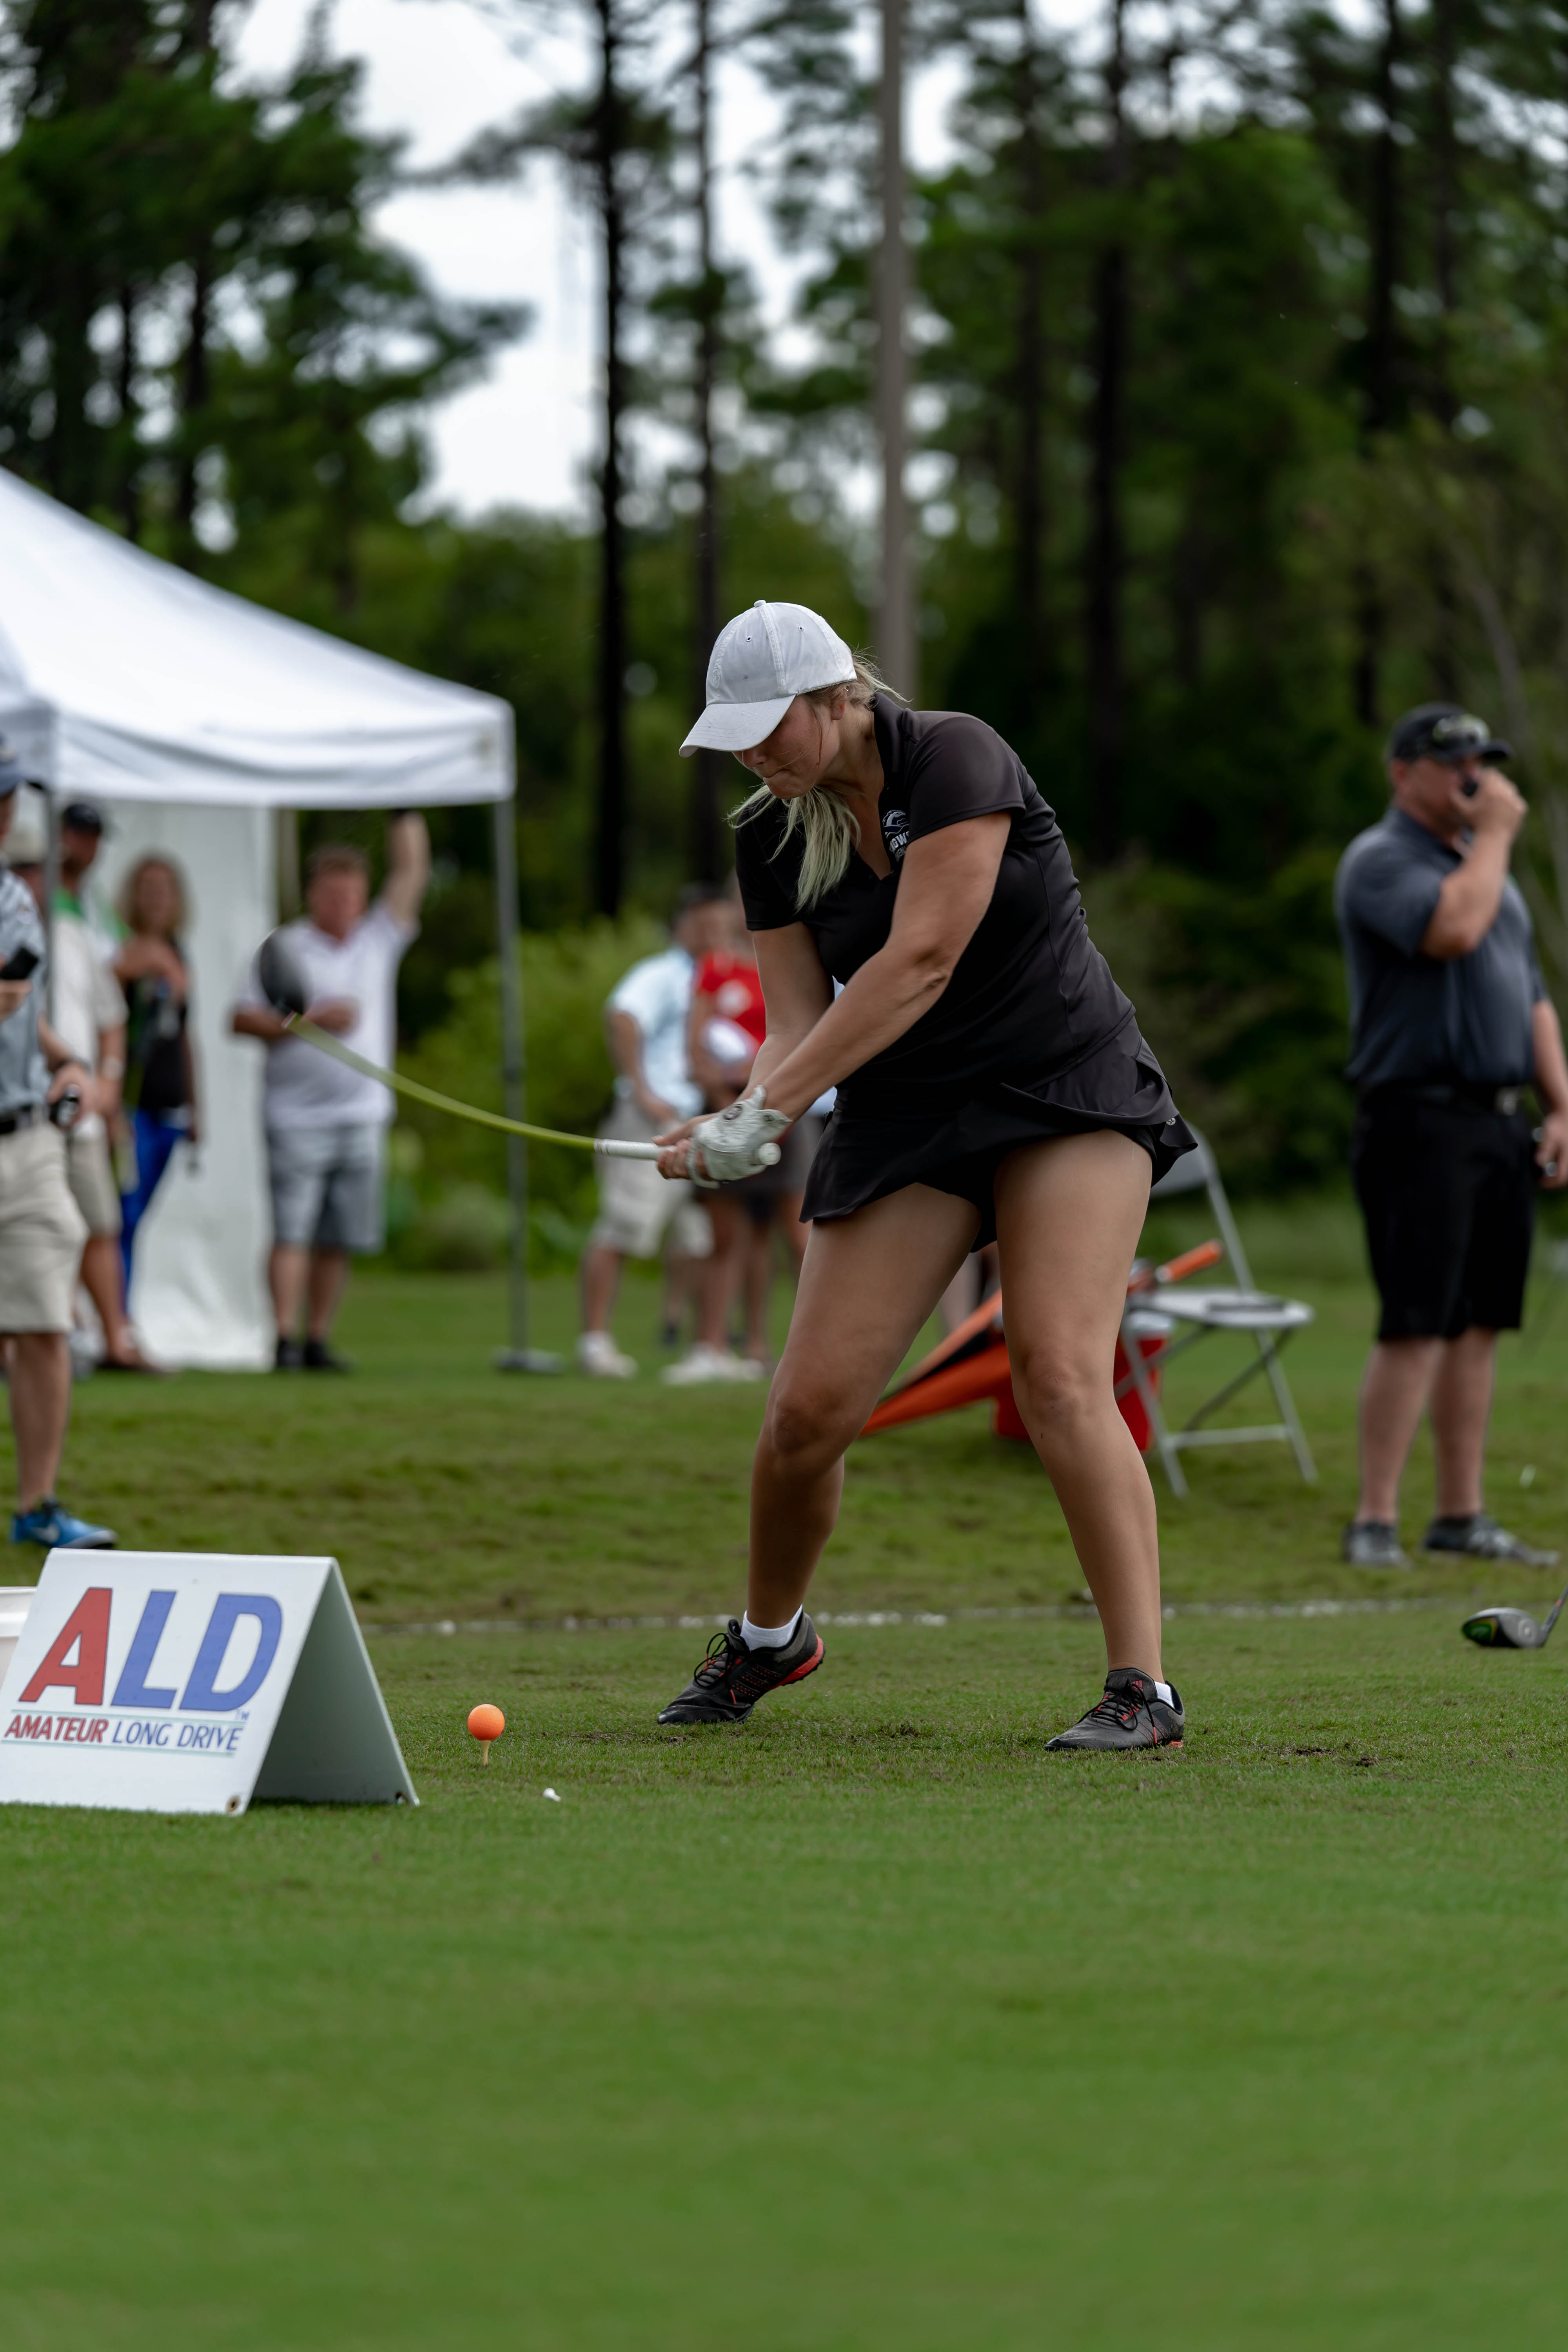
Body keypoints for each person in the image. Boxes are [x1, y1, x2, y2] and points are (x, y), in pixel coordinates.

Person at [652, 600, 1195, 1748]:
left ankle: (1140, 1687)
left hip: (1060, 1086)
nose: (753, 754)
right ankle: (769, 1637)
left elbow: (922, 959)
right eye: (734, 736)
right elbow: (795, 1019)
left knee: (1058, 1373)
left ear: (836, 697)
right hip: (906, 1112)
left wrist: (770, 1108)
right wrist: (742, 1114)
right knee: (805, 1412)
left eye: (768, 727)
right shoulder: (769, 832)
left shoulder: (955, 754)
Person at [1336, 704, 1568, 1568]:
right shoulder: (1381, 859)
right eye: (1455, 763)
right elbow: (1453, 931)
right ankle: (1373, 1520)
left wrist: (1560, 1106)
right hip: (1418, 1116)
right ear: (1403, 773)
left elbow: (1530, 993)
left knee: (1478, 1323)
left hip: (1498, 1120)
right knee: (1418, 1319)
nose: (1475, 777)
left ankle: (1459, 1516)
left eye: (1483, 762)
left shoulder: (1484, 866)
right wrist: (1497, 836)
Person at [232, 815, 430, 1371]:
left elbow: (412, 873)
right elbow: (241, 1020)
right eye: (332, 893)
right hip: (295, 1116)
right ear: (313, 894)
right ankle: (282, 1339)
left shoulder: (378, 940)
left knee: (338, 1235)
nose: (343, 904)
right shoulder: (284, 948)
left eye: (351, 894)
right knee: (292, 1229)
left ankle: (317, 1337)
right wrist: (310, 1021)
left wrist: (402, 812)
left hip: (362, 1114)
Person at [0, 748, 114, 1549]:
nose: (9, 810)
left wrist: (66, 1060)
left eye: (11, 796)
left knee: (46, 1321)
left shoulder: (15, 895)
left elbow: (23, 1010)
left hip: (26, 1136)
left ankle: (37, 1507)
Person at [576, 885, 734, 1379]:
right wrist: (641, 1089)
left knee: (702, 1238)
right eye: (703, 925)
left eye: (719, 926)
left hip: (701, 1121)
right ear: (681, 925)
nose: (712, 934)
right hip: (654, 1120)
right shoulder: (663, 973)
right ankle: (595, 1343)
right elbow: (622, 1016)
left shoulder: (723, 977)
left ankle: (705, 1350)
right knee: (623, 1227)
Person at [686, 887, 823, 1371]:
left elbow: (801, 1034)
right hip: (727, 1110)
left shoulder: (790, 961)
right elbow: (695, 1047)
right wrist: (727, 1110)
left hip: (783, 1111)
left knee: (795, 1233)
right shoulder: (716, 968)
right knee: (726, 1235)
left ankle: (796, 1348)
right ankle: (711, 1347)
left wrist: (772, 1106)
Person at [113, 854, 201, 1290]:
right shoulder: (119, 949)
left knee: (139, 1214)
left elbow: (185, 1035)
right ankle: (117, 1316)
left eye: (165, 890)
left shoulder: (180, 955)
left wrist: (196, 1105)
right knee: (122, 1214)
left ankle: (121, 1309)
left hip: (169, 1102)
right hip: (131, 1103)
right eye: (147, 889)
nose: (156, 898)